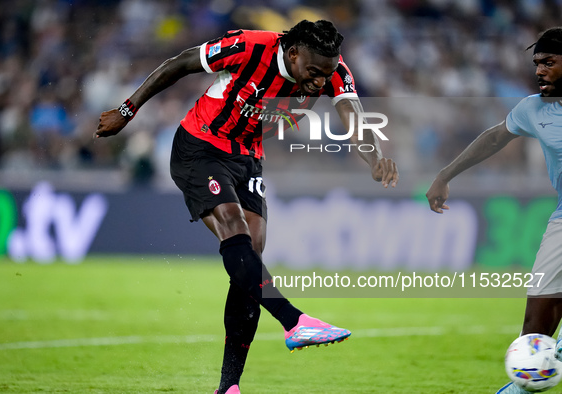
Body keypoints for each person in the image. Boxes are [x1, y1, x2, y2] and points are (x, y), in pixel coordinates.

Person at [96, 19, 399, 394]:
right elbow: (179, 63)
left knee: (250, 258)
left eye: (328, 74)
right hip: (200, 147)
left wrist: (375, 158)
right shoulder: (249, 47)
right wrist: (127, 111)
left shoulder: (333, 71)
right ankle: (294, 320)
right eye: (314, 72)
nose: (321, 82)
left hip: (247, 158)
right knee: (234, 228)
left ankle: (228, 387)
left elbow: (355, 120)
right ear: (293, 53)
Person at [426, 27, 562, 394]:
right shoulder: (534, 108)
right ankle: (525, 385)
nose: (539, 70)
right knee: (535, 324)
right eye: (537, 63)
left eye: (549, 62)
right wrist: (445, 173)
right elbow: (495, 137)